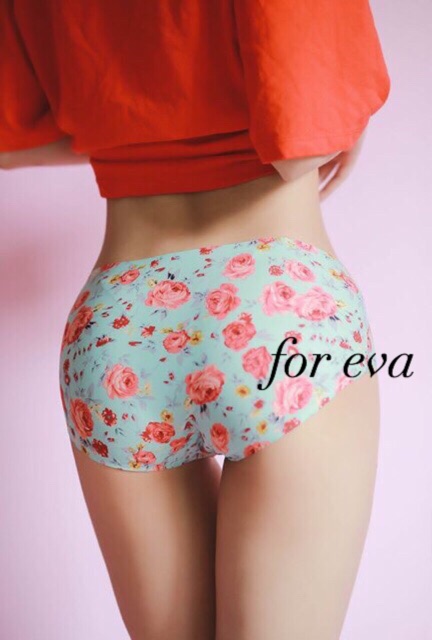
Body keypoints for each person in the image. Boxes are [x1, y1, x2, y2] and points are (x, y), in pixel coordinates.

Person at [0, 2, 391, 638]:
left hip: (115, 327)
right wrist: (346, 118)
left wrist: (139, 123)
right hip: (277, 306)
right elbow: (303, 137)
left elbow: (16, 139)